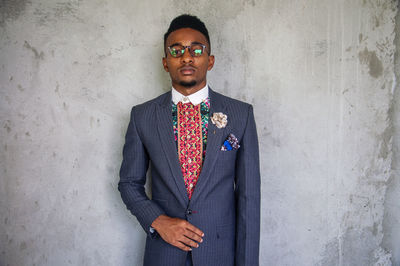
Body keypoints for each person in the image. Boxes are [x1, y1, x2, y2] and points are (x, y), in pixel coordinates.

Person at [118, 14, 260, 266]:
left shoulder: (240, 115)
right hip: (164, 252)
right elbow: (129, 183)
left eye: (196, 49)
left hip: (219, 254)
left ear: (210, 60)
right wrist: (159, 221)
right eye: (176, 50)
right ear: (165, 62)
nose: (186, 56)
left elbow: (249, 198)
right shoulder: (143, 116)